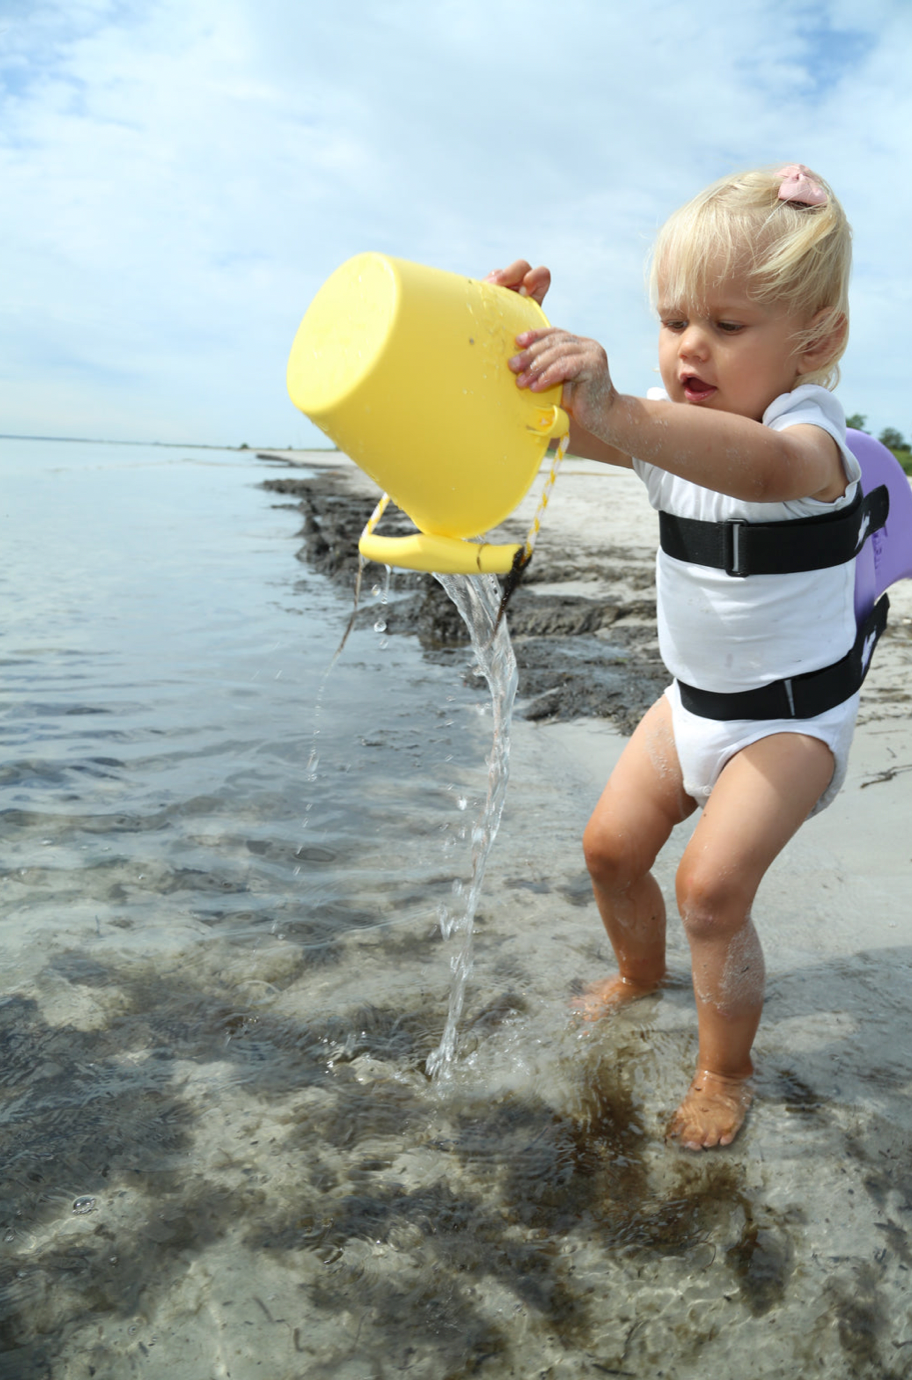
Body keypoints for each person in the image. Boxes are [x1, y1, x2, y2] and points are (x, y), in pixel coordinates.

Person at [487, 164, 861, 1151]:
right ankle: (634, 976)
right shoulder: (657, 424)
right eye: (674, 320)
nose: (691, 347)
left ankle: (721, 1071)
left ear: (813, 340)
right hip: (693, 703)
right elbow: (558, 418)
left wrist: (621, 410)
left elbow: (763, 470)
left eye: (729, 328)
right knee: (609, 850)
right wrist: (502, 343)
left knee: (709, 893)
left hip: (789, 721)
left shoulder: (812, 438)